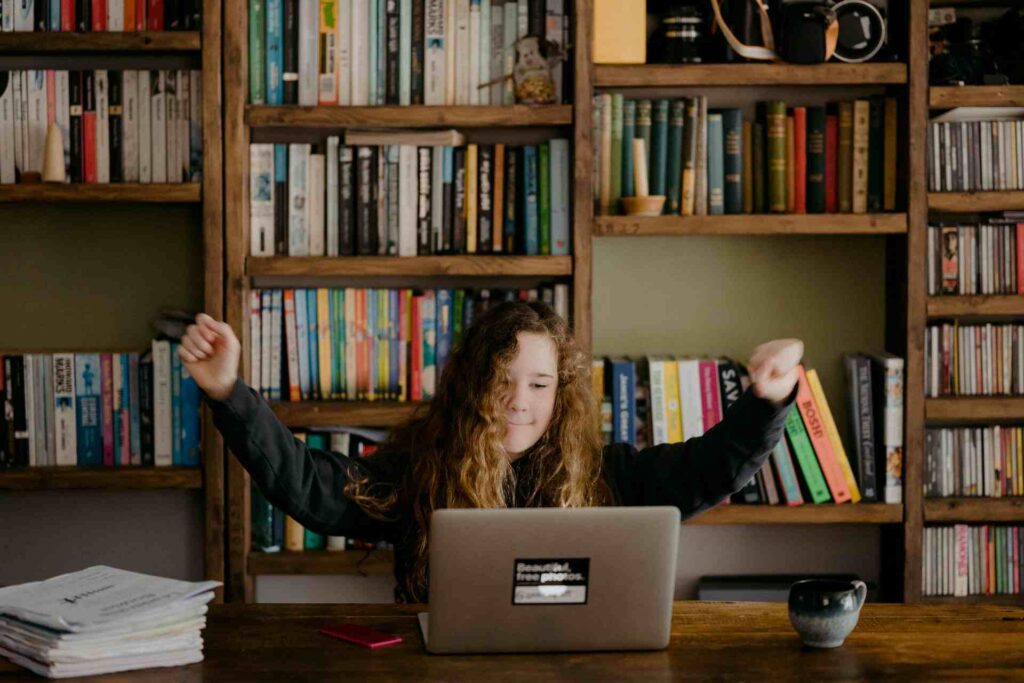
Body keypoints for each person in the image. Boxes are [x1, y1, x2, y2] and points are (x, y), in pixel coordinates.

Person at [180, 301, 802, 603]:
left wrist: (767, 402)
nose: (518, 402)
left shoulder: (603, 472)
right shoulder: (423, 468)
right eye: (501, 381)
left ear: (560, 393)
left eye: (538, 385)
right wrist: (229, 393)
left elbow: (706, 472)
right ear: (472, 385)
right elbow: (311, 488)